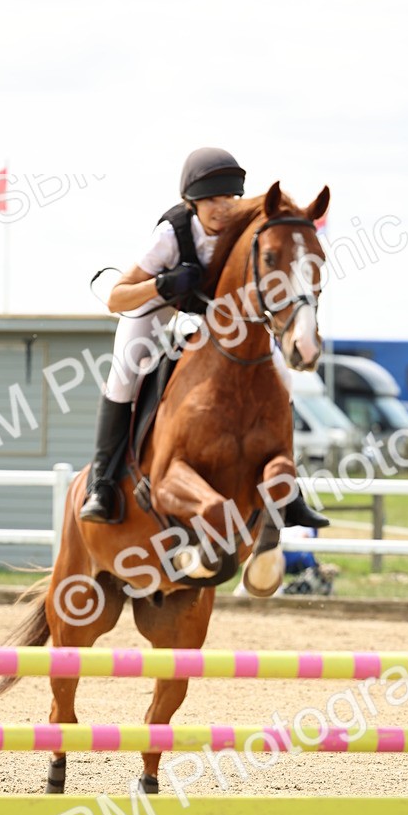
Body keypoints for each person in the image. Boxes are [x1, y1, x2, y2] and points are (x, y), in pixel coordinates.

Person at [80, 147, 328, 531]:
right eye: (212, 199)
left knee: (283, 375)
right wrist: (162, 283)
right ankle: (103, 484)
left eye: (230, 197)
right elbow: (116, 297)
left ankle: (288, 492)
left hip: (213, 314)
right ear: (191, 202)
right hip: (157, 307)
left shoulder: (246, 228)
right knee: (125, 372)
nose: (222, 207)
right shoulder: (172, 234)